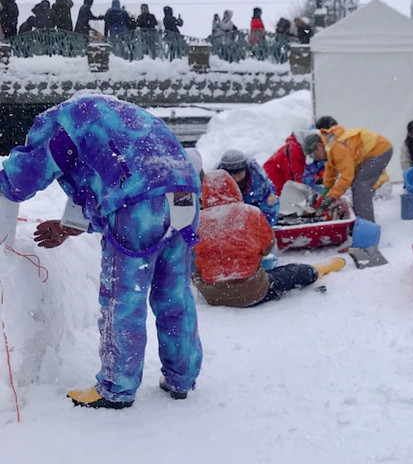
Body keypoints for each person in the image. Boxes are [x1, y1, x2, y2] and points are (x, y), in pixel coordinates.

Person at [0, 94, 202, 408]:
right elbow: (105, 178)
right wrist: (70, 225)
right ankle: (181, 376)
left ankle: (116, 387)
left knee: (123, 297)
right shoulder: (113, 117)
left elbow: (23, 175)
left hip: (139, 199)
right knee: (173, 294)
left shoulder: (60, 126)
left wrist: (5, 181)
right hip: (183, 192)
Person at [193, 170, 345, 308]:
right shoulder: (250, 213)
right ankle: (317, 270)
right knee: (293, 273)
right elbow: (266, 247)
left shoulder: (197, 220)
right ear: (234, 188)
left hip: (212, 295)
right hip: (250, 292)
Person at [303, 124, 393, 223]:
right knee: (358, 184)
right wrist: (327, 189)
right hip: (373, 150)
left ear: (319, 146)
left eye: (313, 154)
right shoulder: (329, 146)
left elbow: (346, 176)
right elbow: (330, 169)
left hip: (379, 149)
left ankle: (366, 224)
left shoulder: (337, 147)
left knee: (360, 185)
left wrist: (332, 196)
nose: (314, 158)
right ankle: (360, 216)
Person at [216, 148, 279, 225]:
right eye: (229, 172)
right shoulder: (216, 183)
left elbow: (270, 207)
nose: (233, 176)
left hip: (255, 220)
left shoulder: (260, 182)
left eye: (237, 172)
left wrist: (263, 224)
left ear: (245, 169)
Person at [263, 129, 323, 195]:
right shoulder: (294, 149)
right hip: (272, 181)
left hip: (278, 182)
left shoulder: (300, 150)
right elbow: (294, 180)